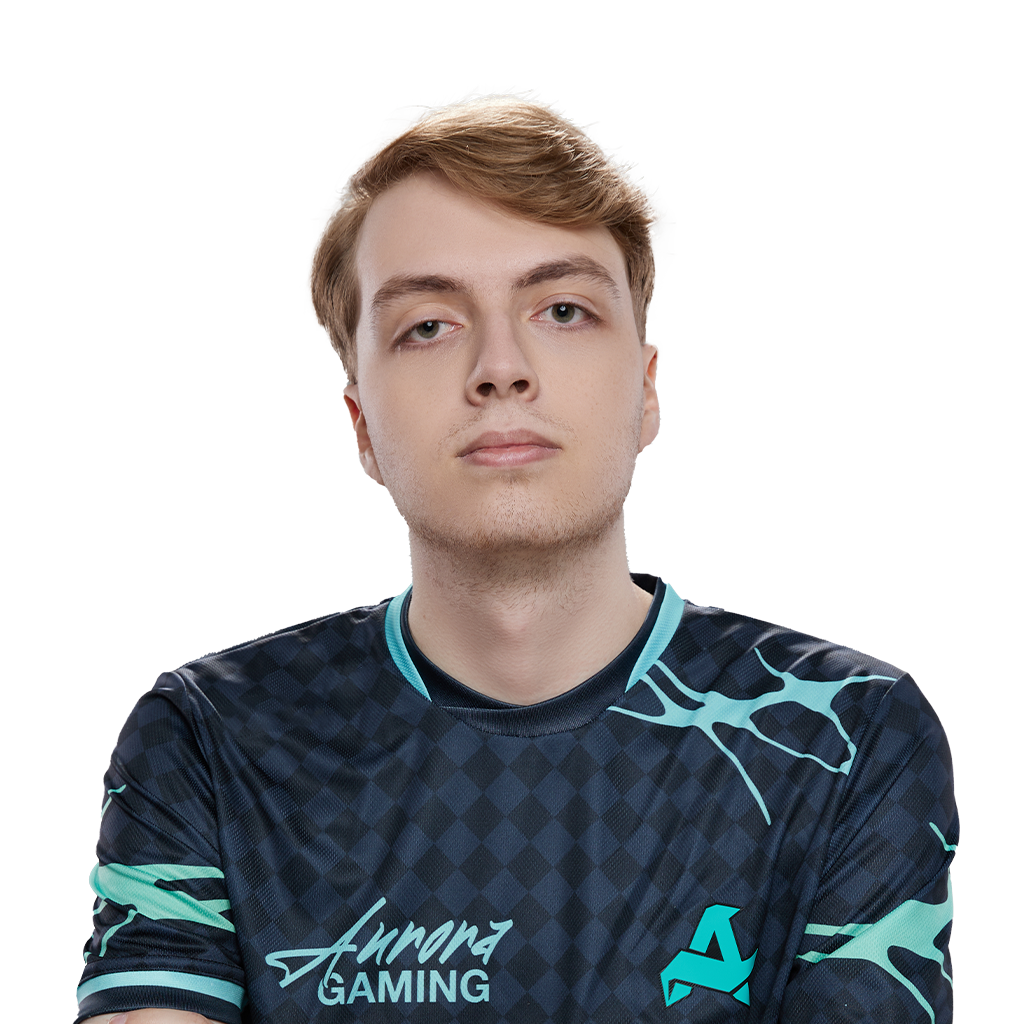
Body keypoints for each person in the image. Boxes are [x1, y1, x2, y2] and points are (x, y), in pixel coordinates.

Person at [76, 93, 958, 1024]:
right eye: (428, 325)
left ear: (647, 394)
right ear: (362, 427)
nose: (501, 367)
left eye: (563, 309)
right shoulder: (211, 738)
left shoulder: (846, 734)